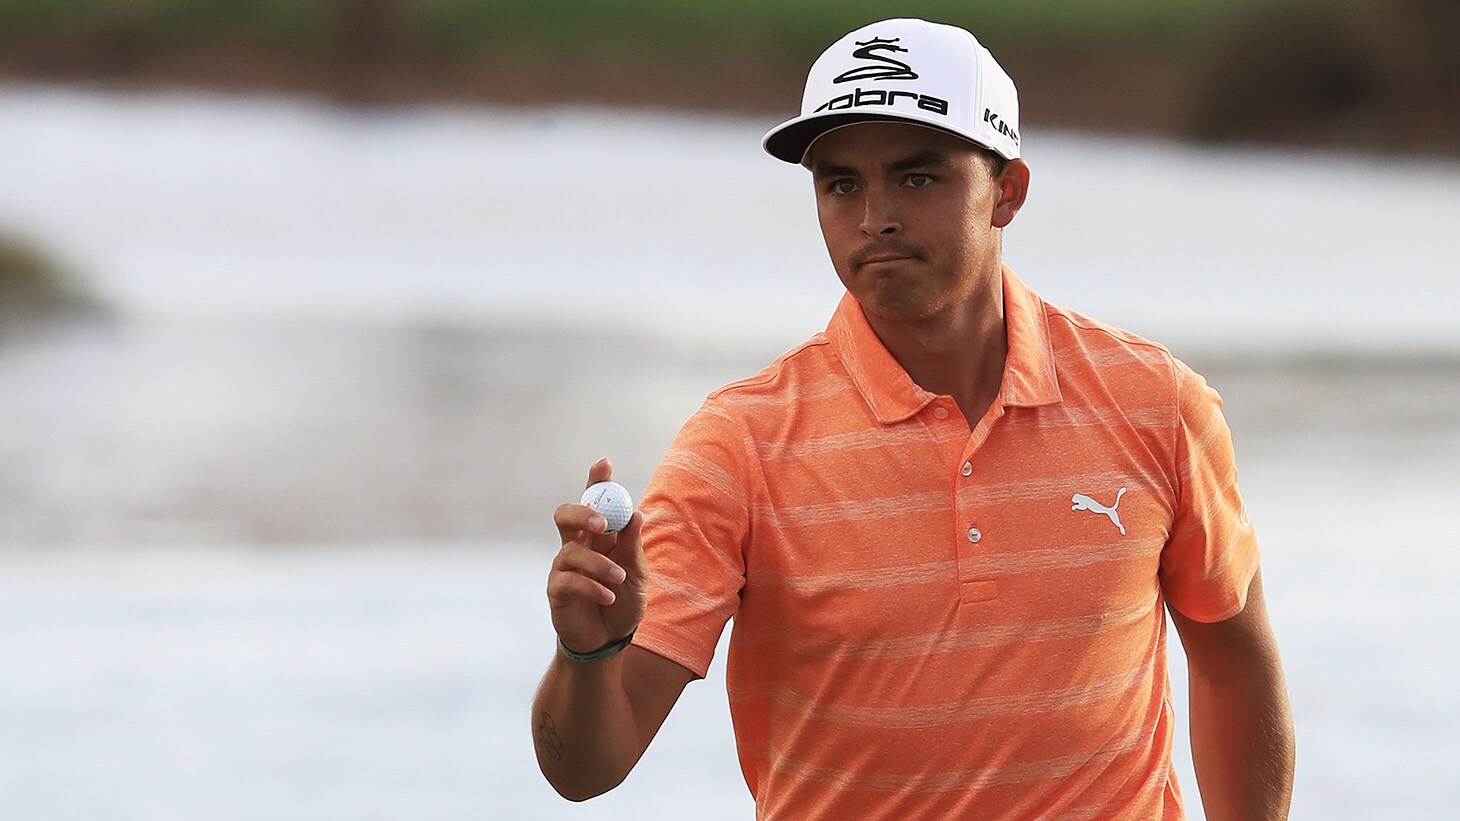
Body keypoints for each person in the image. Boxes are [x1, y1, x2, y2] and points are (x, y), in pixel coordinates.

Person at [533, 17, 1295, 820]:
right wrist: (588, 652)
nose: (876, 217)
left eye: (918, 177)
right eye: (842, 185)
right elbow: (586, 768)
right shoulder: (738, 444)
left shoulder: (1155, 401)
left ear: (1007, 192)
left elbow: (1232, 665)